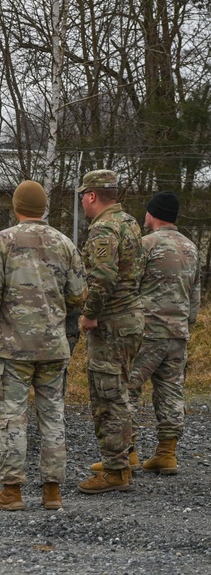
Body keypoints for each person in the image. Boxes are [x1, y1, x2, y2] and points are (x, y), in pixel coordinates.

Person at [0, 180, 87, 511]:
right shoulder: (65, 244)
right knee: (53, 416)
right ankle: (52, 492)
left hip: (13, 348)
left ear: (17, 207)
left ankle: (12, 491)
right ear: (44, 209)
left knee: (12, 416)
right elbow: (79, 296)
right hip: (53, 347)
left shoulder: (3, 242)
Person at [76, 169, 144, 494]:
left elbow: (102, 276)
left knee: (107, 396)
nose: (82, 203)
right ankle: (125, 456)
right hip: (131, 317)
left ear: (91, 196)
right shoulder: (129, 222)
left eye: (82, 197)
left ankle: (116, 472)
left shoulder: (104, 228)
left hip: (112, 322)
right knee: (120, 390)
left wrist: (90, 314)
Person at [129, 192, 200, 475]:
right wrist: (187, 326)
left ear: (152, 214)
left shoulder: (145, 245)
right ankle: (167, 454)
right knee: (171, 390)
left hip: (147, 331)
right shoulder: (191, 248)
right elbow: (194, 295)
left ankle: (127, 452)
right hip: (178, 332)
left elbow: (129, 286)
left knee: (128, 388)